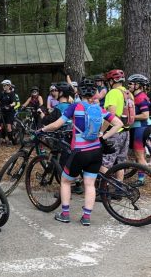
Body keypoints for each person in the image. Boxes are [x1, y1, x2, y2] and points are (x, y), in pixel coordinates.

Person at [40, 78, 122, 226]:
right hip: (96, 150)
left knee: (65, 181)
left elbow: (57, 124)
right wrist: (103, 134)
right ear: (94, 93)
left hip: (79, 151)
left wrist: (43, 129)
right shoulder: (99, 109)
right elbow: (119, 123)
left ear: (79, 92)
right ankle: (86, 217)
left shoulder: (74, 107)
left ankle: (65, 214)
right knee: (89, 184)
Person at [100, 69, 130, 178]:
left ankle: (105, 188)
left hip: (114, 132)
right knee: (120, 163)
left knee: (105, 163)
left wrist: (101, 132)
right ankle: (119, 189)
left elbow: (110, 116)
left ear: (112, 81)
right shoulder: (128, 93)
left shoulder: (113, 93)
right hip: (126, 131)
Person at [127, 74, 151, 186]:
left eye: (131, 83)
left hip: (140, 128)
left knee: (139, 156)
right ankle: (141, 177)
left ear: (138, 85)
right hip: (139, 128)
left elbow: (145, 115)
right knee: (140, 155)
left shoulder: (141, 97)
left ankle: (141, 180)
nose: (129, 85)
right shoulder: (135, 96)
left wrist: (129, 116)